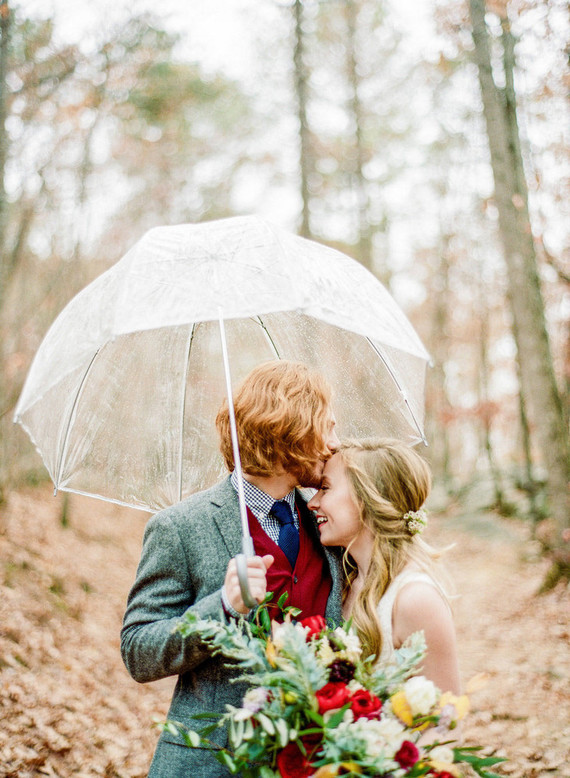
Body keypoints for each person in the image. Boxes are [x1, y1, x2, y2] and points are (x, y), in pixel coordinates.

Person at [121, 360, 343, 778]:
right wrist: (222, 605)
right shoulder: (180, 527)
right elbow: (137, 650)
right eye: (327, 427)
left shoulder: (329, 521)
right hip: (214, 762)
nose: (334, 443)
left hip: (320, 759)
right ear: (291, 429)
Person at [308, 437, 461, 695]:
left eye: (325, 488)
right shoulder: (344, 581)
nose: (313, 502)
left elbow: (446, 721)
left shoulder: (416, 599)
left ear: (366, 498)